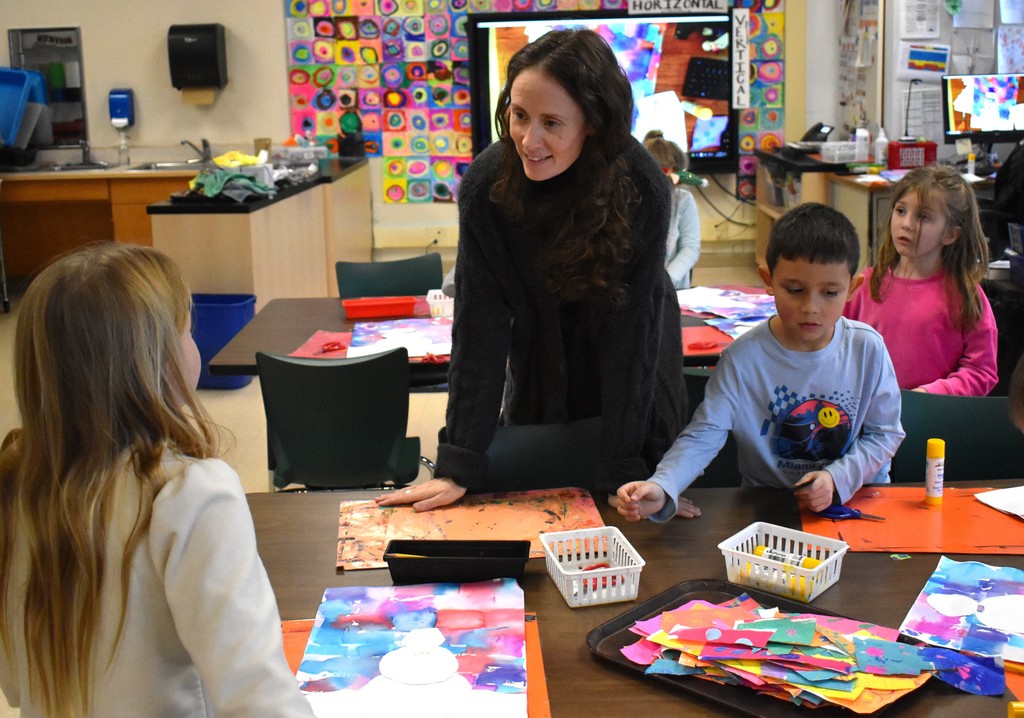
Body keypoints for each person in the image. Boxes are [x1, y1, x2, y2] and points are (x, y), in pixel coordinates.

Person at [377, 28, 686, 512]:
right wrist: (460, 462)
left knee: (622, 492)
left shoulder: (642, 184)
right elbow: (479, 328)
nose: (528, 139)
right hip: (538, 340)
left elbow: (632, 337)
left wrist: (625, 467)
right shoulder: (487, 185)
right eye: (519, 116)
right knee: (538, 468)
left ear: (593, 124)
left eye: (551, 123)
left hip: (630, 335)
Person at [0, 244, 315, 718]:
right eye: (187, 332)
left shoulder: (14, 483)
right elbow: (257, 696)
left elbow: (17, 686)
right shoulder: (190, 493)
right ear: (157, 360)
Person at [615, 203, 904, 522]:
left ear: (852, 288)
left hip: (858, 503)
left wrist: (836, 478)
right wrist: (663, 484)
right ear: (768, 280)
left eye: (830, 292)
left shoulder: (867, 349)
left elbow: (885, 434)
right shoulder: (743, 358)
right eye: (795, 290)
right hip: (770, 506)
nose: (811, 307)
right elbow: (707, 431)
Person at [844, 164, 997, 396]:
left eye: (923, 217)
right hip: (866, 415)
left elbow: (980, 370)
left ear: (950, 234)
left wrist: (929, 394)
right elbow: (834, 347)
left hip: (931, 419)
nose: (906, 224)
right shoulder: (864, 284)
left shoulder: (965, 296)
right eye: (900, 210)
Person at [642, 129, 701, 289]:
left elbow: (690, 248)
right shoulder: (630, 200)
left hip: (672, 290)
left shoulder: (683, 201)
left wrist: (666, 280)